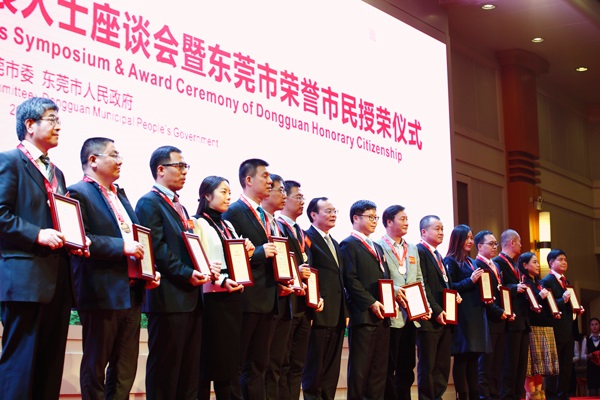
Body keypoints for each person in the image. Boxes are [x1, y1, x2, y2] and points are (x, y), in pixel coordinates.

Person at [0, 97, 86, 400]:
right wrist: (37, 234)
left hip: (57, 279)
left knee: (50, 367)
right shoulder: (10, 161)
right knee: (20, 366)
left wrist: (77, 239)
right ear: (30, 124)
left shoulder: (57, 173)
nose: (58, 126)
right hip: (25, 279)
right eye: (52, 119)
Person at [68, 137, 160, 399]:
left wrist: (148, 270)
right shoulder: (77, 192)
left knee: (125, 367)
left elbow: (138, 237)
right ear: (93, 160)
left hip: (130, 293)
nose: (120, 161)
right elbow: (80, 238)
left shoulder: (120, 195)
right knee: (96, 365)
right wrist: (121, 247)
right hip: (101, 291)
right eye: (114, 155)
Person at [136, 146, 218, 400]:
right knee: (166, 372)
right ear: (161, 169)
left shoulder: (179, 206)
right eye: (179, 166)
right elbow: (157, 249)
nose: (184, 172)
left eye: (185, 167)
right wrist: (187, 273)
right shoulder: (149, 202)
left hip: (191, 299)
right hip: (168, 300)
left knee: (189, 374)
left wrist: (204, 268)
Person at [192, 175, 255, 400]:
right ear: (207, 195)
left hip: (233, 297)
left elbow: (235, 260)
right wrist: (219, 280)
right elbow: (198, 260)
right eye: (223, 192)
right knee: (207, 363)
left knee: (229, 364)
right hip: (211, 299)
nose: (229, 197)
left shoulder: (228, 225)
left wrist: (247, 252)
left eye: (229, 192)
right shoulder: (197, 222)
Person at [222, 158, 278, 400]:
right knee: (237, 364)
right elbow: (229, 253)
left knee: (259, 366)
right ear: (248, 180)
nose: (270, 181)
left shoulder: (266, 216)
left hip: (268, 298)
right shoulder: (234, 211)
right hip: (247, 300)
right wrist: (259, 253)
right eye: (265, 176)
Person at [376, 205, 430, 400]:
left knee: (407, 367)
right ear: (389, 222)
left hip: (411, 316)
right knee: (388, 367)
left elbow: (419, 280)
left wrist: (425, 305)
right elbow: (377, 279)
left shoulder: (412, 248)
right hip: (391, 315)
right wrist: (395, 291)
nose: (407, 222)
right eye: (402, 218)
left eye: (407, 219)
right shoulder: (378, 246)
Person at [275, 180, 322, 400]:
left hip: (304, 306)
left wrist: (316, 295)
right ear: (284, 199)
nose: (302, 201)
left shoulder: (302, 233)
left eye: (303, 197)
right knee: (282, 364)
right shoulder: (276, 227)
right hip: (286, 305)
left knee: (297, 365)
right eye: (298, 197)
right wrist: (296, 272)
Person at [341, 200, 391, 399]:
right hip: (363, 316)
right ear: (355, 218)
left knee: (378, 371)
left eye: (375, 217)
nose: (374, 221)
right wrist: (371, 302)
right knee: (360, 371)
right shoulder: (348, 244)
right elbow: (350, 280)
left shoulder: (377, 246)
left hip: (382, 315)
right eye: (370, 217)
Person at [302, 197, 348, 400]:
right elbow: (309, 273)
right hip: (318, 312)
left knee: (331, 371)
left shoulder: (335, 243)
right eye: (328, 211)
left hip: (337, 314)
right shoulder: (306, 238)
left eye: (335, 211)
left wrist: (345, 311)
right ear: (313, 214)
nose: (333, 214)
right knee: (314, 369)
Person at [444, 225, 489, 400]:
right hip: (462, 315)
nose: (470, 241)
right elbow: (450, 287)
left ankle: (474, 395)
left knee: (473, 358)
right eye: (467, 238)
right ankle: (462, 396)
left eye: (471, 238)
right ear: (458, 239)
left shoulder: (471, 261)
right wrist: (470, 281)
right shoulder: (450, 261)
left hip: (475, 314)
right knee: (462, 358)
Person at [263, 173, 293, 400]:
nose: (284, 195)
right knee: (260, 365)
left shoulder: (277, 224)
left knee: (276, 364)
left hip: (282, 299)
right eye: (280, 190)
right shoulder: (247, 216)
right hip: (262, 299)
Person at [416, 215, 453, 400]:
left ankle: (438, 397)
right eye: (437, 228)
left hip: (444, 318)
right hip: (429, 319)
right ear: (424, 232)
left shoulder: (438, 255)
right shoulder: (419, 251)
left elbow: (444, 283)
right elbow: (423, 286)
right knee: (428, 365)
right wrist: (437, 310)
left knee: (442, 365)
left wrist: (454, 296)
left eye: (442, 229)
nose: (441, 232)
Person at [541, 249, 584, 400]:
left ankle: (563, 395)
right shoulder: (547, 281)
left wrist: (576, 308)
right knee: (554, 367)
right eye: (560, 259)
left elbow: (568, 304)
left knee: (566, 366)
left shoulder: (566, 281)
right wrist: (563, 300)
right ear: (551, 263)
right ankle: (552, 396)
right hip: (555, 330)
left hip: (568, 330)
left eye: (565, 259)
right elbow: (547, 306)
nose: (564, 262)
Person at [474, 230, 511, 400]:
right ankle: (484, 396)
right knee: (486, 364)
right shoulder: (477, 265)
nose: (495, 246)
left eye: (496, 243)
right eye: (491, 243)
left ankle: (495, 395)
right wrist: (498, 311)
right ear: (480, 246)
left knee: (497, 363)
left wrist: (506, 311)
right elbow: (484, 295)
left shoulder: (495, 265)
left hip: (500, 319)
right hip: (487, 319)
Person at [494, 229, 530, 400]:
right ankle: (507, 396)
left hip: (522, 320)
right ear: (512, 242)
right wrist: (515, 288)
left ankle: (517, 395)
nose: (521, 245)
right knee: (509, 364)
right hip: (509, 320)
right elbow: (497, 288)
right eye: (519, 241)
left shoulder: (515, 264)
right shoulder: (497, 263)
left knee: (520, 365)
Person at [518, 252, 559, 400]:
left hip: (544, 327)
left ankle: (540, 395)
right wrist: (539, 297)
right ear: (525, 265)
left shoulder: (539, 283)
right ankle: (532, 395)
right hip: (532, 327)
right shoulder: (524, 282)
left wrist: (555, 311)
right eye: (534, 262)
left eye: (537, 262)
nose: (537, 265)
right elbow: (528, 305)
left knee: (540, 367)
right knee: (531, 366)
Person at [581, 317, 600, 396]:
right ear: (590, 327)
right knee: (592, 392)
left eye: (596, 324)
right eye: (592, 325)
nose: (594, 326)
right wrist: (588, 356)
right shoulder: (586, 339)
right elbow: (582, 356)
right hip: (591, 369)